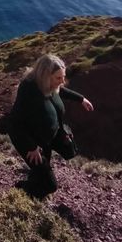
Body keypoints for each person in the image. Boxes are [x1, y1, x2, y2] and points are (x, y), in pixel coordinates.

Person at [9, 54, 94, 199]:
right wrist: (31, 147)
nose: (62, 82)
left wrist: (81, 99)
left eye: (63, 77)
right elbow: (14, 123)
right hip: (31, 142)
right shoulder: (29, 90)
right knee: (50, 185)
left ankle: (33, 186)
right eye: (58, 78)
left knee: (40, 171)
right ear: (45, 76)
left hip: (46, 138)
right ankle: (23, 191)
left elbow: (61, 91)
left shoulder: (50, 85)